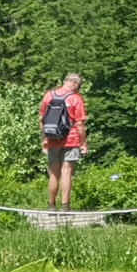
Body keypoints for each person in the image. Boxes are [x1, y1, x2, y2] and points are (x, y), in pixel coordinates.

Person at [38, 73, 87, 210]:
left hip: (53, 139)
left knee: (54, 173)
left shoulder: (49, 95)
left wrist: (45, 139)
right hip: (71, 140)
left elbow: (42, 118)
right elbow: (80, 124)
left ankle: (51, 206)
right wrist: (83, 143)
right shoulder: (75, 98)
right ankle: (65, 206)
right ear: (75, 84)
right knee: (66, 171)